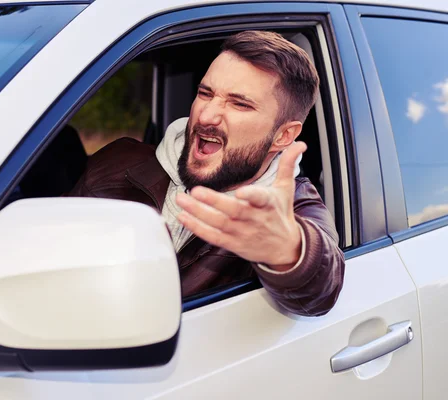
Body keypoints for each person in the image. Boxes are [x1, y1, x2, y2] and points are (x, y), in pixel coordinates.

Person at [68, 30, 344, 316]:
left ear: (283, 136)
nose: (206, 115)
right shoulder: (117, 161)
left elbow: (321, 291)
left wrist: (287, 252)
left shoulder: (292, 209)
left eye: (240, 104)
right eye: (205, 93)